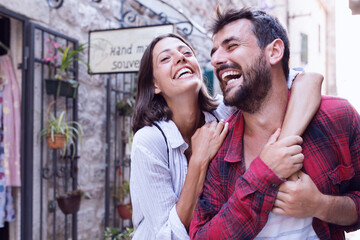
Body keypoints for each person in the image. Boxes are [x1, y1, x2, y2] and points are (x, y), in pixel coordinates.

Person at [130, 33, 323, 239]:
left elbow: (308, 81)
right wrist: (198, 160)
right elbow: (167, 235)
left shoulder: (225, 112)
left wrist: (280, 151)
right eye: (166, 58)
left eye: (187, 52)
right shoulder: (148, 141)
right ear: (155, 85)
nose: (181, 58)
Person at [189, 7, 360, 240]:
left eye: (232, 46)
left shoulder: (338, 117)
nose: (216, 59)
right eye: (215, 51)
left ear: (274, 51)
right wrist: (262, 175)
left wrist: (321, 205)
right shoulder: (219, 147)